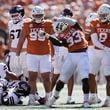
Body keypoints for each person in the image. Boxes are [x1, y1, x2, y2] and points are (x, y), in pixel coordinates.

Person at [42, 16, 90, 108]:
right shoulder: (68, 32)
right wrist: (47, 35)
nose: (62, 32)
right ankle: (54, 97)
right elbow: (58, 43)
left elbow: (73, 21)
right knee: (63, 79)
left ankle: (86, 101)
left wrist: (60, 19)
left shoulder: (74, 27)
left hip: (82, 54)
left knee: (84, 78)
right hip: (72, 56)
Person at [16, 6, 54, 105]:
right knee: (32, 77)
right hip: (32, 55)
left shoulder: (48, 24)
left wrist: (54, 53)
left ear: (43, 15)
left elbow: (53, 40)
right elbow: (21, 39)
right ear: (32, 15)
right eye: (36, 15)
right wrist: (17, 54)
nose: (38, 17)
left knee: (46, 77)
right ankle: (32, 98)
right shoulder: (27, 24)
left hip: (45, 54)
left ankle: (48, 97)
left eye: (40, 15)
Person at [51, 8, 75, 104]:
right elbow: (52, 39)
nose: (66, 17)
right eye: (65, 15)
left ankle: (69, 97)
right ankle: (48, 94)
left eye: (68, 15)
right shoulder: (57, 23)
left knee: (70, 76)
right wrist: (52, 53)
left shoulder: (73, 25)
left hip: (69, 51)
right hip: (60, 51)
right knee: (56, 75)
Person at [88, 4, 110, 107]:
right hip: (98, 51)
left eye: (105, 14)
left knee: (108, 77)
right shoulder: (94, 22)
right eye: (100, 14)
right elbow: (95, 41)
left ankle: (108, 99)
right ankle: (93, 96)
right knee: (91, 74)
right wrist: (106, 48)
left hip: (107, 54)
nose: (102, 16)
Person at [85, 12, 101, 104]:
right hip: (101, 51)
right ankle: (95, 96)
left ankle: (92, 96)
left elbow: (86, 39)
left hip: (91, 50)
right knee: (94, 75)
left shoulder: (91, 26)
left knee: (91, 75)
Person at [8, 5, 28, 81]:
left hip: (25, 52)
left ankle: (33, 91)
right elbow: (11, 38)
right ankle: (19, 90)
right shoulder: (10, 23)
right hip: (13, 52)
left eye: (16, 15)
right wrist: (8, 50)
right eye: (12, 15)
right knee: (15, 74)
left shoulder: (26, 22)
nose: (14, 17)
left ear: (22, 13)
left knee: (27, 74)